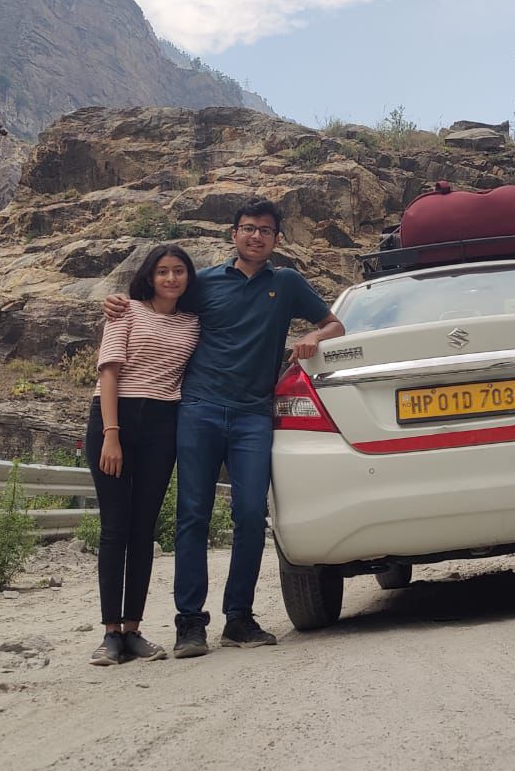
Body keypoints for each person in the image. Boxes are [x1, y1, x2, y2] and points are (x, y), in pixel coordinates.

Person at [106, 198, 344, 657]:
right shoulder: (204, 283)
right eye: (248, 228)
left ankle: (239, 618)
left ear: (277, 239)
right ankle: (189, 624)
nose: (256, 236)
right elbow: (159, 301)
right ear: (234, 234)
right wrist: (120, 303)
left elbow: (335, 324)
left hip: (254, 415)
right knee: (192, 514)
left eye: (266, 230)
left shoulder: (287, 283)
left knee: (251, 514)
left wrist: (313, 335)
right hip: (199, 409)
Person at [86, 244, 200, 665]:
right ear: (149, 276)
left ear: (189, 278)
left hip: (162, 426)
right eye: (162, 271)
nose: (171, 278)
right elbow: (109, 372)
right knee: (115, 528)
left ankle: (133, 630)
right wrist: (111, 435)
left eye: (179, 271)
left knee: (143, 529)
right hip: (113, 419)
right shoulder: (125, 312)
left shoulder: (194, 323)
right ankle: (110, 633)